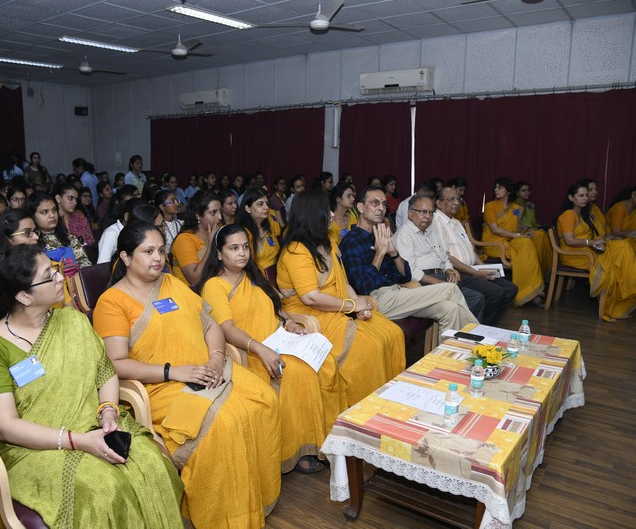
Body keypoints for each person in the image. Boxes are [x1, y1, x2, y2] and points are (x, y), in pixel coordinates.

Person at [0, 245, 184, 527]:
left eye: (55, 269)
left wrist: (108, 410)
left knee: (154, 464)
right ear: (24, 296)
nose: (60, 278)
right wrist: (78, 441)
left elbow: (104, 372)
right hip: (34, 449)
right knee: (103, 489)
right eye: (49, 276)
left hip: (94, 426)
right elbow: (5, 426)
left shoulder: (72, 320)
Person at [93, 223, 281, 528]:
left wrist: (216, 358)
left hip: (208, 370)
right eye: (148, 251)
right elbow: (116, 363)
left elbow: (211, 325)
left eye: (161, 250)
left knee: (265, 399)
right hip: (160, 386)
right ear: (126, 257)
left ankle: (253, 498)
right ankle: (223, 517)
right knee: (225, 424)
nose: (158, 258)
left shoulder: (171, 283)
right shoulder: (112, 302)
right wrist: (173, 371)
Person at [200, 224, 343, 473]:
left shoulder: (253, 276)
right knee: (297, 373)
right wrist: (261, 349)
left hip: (278, 341)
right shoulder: (214, 285)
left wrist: (290, 323)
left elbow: (277, 306)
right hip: (250, 353)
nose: (242, 253)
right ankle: (299, 449)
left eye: (245, 247)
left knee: (325, 361)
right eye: (234, 248)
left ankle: (329, 437)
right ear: (219, 254)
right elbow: (226, 328)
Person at [277, 190, 405, 405]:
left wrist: (359, 306)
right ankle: (363, 407)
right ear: (311, 214)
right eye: (325, 210)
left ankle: (391, 399)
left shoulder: (328, 241)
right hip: (313, 313)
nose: (331, 214)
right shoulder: (296, 250)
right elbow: (311, 298)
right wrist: (351, 306)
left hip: (338, 305)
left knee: (391, 333)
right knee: (367, 349)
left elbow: (342, 281)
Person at [341, 187, 477, 334]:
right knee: (451, 289)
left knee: (450, 309)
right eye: (375, 203)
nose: (381, 208)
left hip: (398, 292)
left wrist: (393, 253)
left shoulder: (379, 236)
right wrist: (379, 254)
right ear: (360, 207)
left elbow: (404, 276)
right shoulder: (351, 241)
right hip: (375, 300)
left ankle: (452, 349)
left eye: (384, 204)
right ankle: (479, 337)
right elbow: (363, 286)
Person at [555, 183, 636, 321]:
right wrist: (592, 242)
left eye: (586, 195)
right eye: (581, 195)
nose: (585, 198)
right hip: (575, 255)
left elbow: (588, 236)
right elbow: (570, 241)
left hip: (586, 249)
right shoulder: (569, 214)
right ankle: (633, 288)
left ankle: (635, 286)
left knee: (622, 246)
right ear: (571, 197)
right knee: (618, 254)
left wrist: (602, 239)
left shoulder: (582, 214)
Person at [391, 195, 486, 322]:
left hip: (442, 276)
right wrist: (439, 283)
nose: (428, 216)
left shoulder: (431, 231)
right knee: (470, 297)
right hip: (422, 282)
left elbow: (444, 257)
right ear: (410, 213)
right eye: (423, 212)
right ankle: (462, 331)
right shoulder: (405, 234)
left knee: (477, 298)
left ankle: (465, 331)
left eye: (431, 212)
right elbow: (411, 271)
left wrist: (449, 270)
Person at [433, 187, 518, 325]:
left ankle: (484, 325)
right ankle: (475, 327)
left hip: (472, 269)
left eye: (458, 199)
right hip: (457, 272)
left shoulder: (456, 222)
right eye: (451, 199)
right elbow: (446, 257)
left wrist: (484, 268)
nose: (456, 203)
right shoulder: (436, 222)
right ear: (439, 203)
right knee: (495, 293)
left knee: (510, 289)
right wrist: (475, 273)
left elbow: (470, 250)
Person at [481, 177, 550, 306]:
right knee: (525, 245)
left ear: (508, 191)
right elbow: (495, 229)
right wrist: (518, 235)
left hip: (509, 239)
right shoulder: (490, 206)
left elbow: (516, 227)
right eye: (495, 187)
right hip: (495, 243)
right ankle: (528, 292)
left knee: (538, 236)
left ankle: (533, 287)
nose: (496, 190)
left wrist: (525, 232)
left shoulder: (516, 207)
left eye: (499, 187)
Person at [26, 191, 91, 269]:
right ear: (32, 216)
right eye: (44, 212)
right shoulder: (31, 243)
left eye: (54, 210)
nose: (52, 215)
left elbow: (85, 264)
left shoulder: (70, 239)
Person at [171, 190, 221, 287]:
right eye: (213, 213)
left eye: (220, 211)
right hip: (190, 292)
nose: (219, 217)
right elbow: (194, 279)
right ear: (198, 215)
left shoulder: (219, 230)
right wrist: (211, 245)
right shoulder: (184, 239)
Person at [235, 188, 281, 272]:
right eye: (260, 204)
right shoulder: (242, 234)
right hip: (256, 277)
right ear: (248, 208)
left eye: (267, 203)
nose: (266, 207)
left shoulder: (268, 228)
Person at [154, 189, 183, 255]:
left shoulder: (182, 223)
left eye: (177, 200)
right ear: (162, 207)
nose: (177, 204)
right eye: (173, 201)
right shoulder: (159, 227)